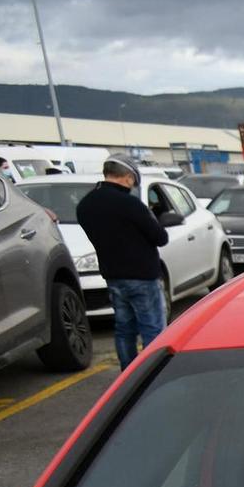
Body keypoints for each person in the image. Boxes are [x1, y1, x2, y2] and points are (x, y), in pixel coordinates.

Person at [76, 158, 170, 369]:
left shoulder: (86, 205)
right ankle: (152, 372)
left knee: (124, 328)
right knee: (152, 328)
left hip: (113, 275)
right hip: (143, 275)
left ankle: (128, 374)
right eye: (132, 182)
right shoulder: (130, 204)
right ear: (128, 178)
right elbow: (159, 237)